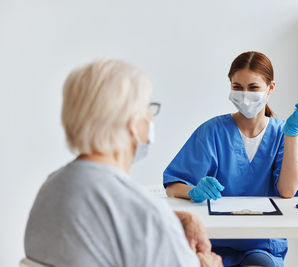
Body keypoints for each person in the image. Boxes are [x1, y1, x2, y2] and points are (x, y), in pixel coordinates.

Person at [24, 59, 222, 267]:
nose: (151, 120)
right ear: (133, 124)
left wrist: (174, 219)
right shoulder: (147, 216)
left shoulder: (51, 189)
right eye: (148, 109)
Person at [163, 51, 298, 267]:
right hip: (213, 242)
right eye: (237, 87)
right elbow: (173, 186)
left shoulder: (281, 133)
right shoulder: (212, 132)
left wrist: (292, 132)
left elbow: (288, 192)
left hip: (261, 244)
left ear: (270, 88)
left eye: (253, 87)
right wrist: (193, 192)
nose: (245, 95)